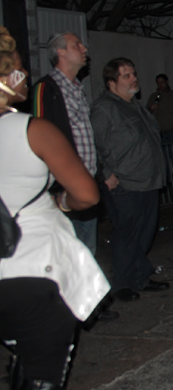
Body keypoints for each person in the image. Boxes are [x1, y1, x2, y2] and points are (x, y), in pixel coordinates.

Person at [0, 28, 110, 390]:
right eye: (16, 67)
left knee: (21, 358)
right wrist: (58, 201)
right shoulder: (33, 129)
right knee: (44, 370)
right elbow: (86, 194)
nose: (25, 73)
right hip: (32, 271)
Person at [91, 58, 169, 302]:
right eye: (126, 75)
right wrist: (107, 175)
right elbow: (94, 145)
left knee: (144, 233)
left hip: (148, 180)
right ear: (112, 82)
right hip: (124, 182)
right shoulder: (104, 108)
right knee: (127, 235)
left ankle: (140, 277)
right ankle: (123, 284)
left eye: (133, 74)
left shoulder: (135, 106)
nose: (133, 78)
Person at [32, 32, 99, 254]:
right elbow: (40, 139)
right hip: (61, 191)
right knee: (64, 256)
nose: (84, 49)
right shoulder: (47, 88)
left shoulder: (78, 90)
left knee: (85, 254)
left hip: (84, 186)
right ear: (60, 52)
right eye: (76, 45)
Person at [147, 73, 173, 181]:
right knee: (163, 157)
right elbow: (146, 114)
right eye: (158, 83)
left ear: (167, 82)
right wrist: (151, 109)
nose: (160, 85)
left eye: (162, 82)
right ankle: (167, 178)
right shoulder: (154, 97)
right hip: (159, 131)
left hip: (172, 130)